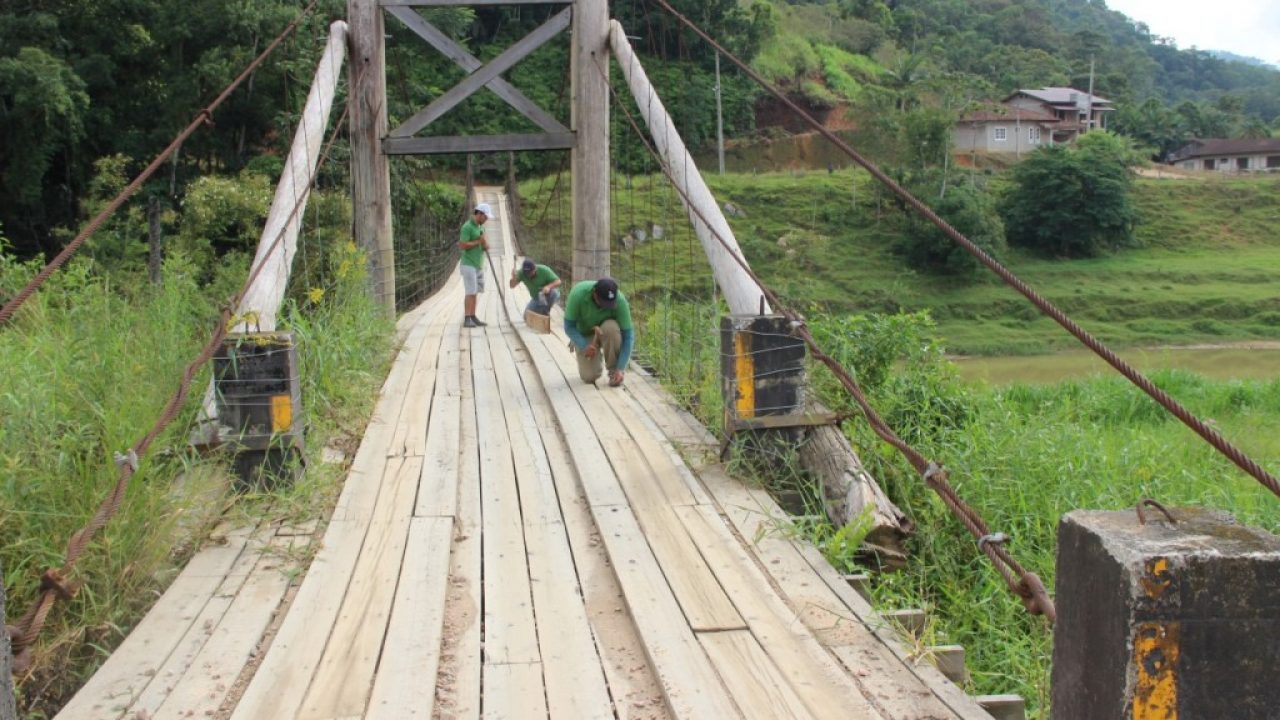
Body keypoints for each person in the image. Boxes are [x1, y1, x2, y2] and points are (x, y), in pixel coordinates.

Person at [563, 277, 633, 387]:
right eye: (604, 303)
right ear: (595, 294)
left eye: (610, 304)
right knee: (589, 376)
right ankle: (596, 359)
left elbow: (628, 337)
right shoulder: (578, 294)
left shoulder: (620, 300)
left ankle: (614, 372)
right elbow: (568, 327)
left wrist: (621, 368)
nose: (607, 307)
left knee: (611, 327)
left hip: (607, 331)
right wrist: (584, 345)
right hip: (585, 334)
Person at [458, 202, 491, 328]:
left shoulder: (481, 227)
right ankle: (467, 318)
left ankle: (473, 316)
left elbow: (483, 244)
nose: (487, 219)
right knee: (470, 291)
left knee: (475, 291)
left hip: (478, 264)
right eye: (486, 217)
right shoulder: (467, 227)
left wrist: (485, 245)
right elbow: (462, 245)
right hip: (468, 264)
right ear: (480, 214)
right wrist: (478, 242)